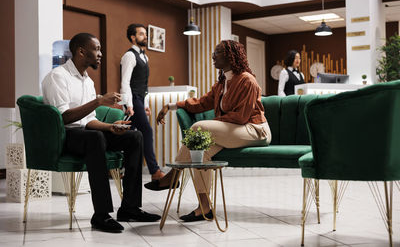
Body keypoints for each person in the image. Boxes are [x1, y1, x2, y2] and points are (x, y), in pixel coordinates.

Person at [42, 33, 160, 233]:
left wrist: (111, 127)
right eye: (96, 49)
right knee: (95, 138)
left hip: (86, 133)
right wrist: (98, 101)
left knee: (134, 136)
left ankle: (130, 208)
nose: (100, 54)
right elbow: (63, 118)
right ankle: (101, 215)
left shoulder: (87, 81)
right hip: (65, 137)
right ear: (81, 51)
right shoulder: (57, 77)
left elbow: (89, 121)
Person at [149, 40, 272, 222]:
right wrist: (171, 105)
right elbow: (201, 103)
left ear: (231, 56)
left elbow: (241, 117)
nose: (213, 56)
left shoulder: (247, 80)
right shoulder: (222, 82)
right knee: (200, 153)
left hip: (255, 130)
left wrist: (211, 124)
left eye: (218, 52)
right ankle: (204, 208)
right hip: (236, 129)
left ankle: (173, 176)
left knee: (199, 128)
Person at [120, 24, 164, 183]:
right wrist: (128, 104)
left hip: (140, 98)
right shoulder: (129, 56)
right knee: (146, 130)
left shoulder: (145, 57)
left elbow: (143, 84)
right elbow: (125, 82)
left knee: (130, 135)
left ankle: (124, 169)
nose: (145, 36)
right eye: (141, 34)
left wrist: (145, 104)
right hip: (132, 99)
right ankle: (155, 171)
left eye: (145, 34)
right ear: (133, 37)